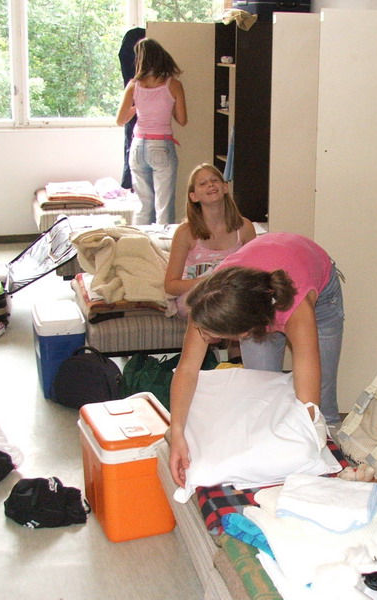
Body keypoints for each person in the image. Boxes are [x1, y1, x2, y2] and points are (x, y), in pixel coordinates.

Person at [168, 232, 345, 487]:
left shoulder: (298, 313)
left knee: (321, 404)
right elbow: (187, 370)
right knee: (260, 393)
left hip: (318, 287)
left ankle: (336, 468)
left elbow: (309, 405)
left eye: (213, 336)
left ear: (246, 332)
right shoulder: (209, 302)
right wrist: (177, 432)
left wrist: (306, 452)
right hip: (259, 282)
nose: (204, 337)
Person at [163, 163, 256, 317]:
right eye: (203, 183)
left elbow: (255, 272)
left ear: (225, 187)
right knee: (211, 308)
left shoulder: (245, 227)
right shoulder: (185, 232)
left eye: (214, 180)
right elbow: (170, 286)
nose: (210, 185)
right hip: (196, 296)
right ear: (193, 196)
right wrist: (211, 281)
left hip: (232, 295)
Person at [116, 38, 187, 226]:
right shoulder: (173, 85)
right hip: (161, 146)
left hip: (138, 146)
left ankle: (140, 241)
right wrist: (168, 107)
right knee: (164, 204)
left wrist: (138, 108)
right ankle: (164, 242)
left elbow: (120, 120)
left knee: (143, 204)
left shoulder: (133, 85)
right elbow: (182, 120)